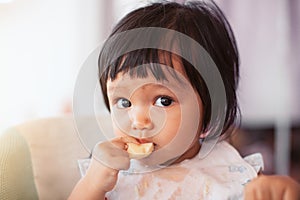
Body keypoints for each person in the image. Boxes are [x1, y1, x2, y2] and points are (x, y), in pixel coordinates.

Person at [69, 1, 300, 199]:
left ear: (209, 113)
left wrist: (282, 191)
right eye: (124, 103)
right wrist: (92, 184)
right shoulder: (111, 173)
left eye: (163, 101)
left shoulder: (231, 171)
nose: (138, 121)